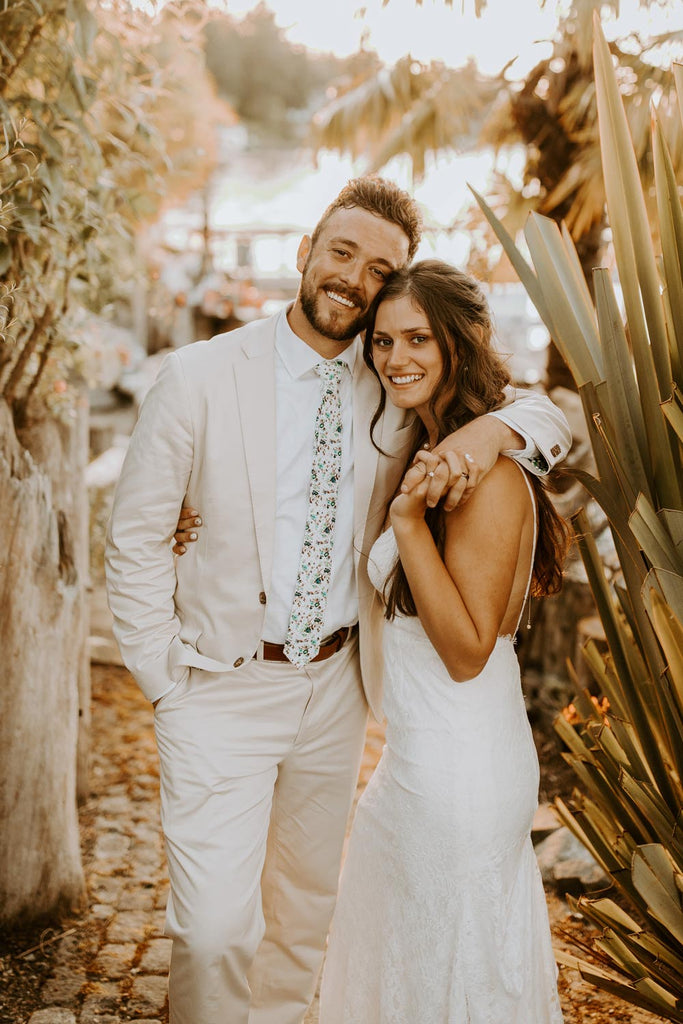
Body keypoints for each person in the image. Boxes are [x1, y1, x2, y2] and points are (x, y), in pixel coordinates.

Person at [105, 177, 571, 1024]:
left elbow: (542, 413)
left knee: (303, 919)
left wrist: (485, 432)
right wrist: (164, 681)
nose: (353, 277)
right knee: (213, 931)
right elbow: (134, 538)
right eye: (342, 252)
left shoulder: (389, 381)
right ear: (305, 253)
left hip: (335, 693)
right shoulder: (200, 376)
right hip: (219, 685)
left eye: (378, 267)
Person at [316, 260, 567, 1022]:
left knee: (451, 977)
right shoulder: (438, 444)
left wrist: (403, 527)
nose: (395, 359)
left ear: (464, 339)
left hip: (459, 771)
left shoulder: (483, 475)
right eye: (383, 342)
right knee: (410, 966)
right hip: (418, 759)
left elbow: (465, 650)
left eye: (418, 338)